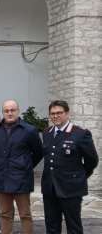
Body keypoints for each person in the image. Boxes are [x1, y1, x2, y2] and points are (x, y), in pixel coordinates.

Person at [42, 100, 99, 234]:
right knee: (51, 225)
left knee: (73, 226)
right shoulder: (47, 132)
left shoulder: (80, 133)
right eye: (52, 113)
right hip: (50, 188)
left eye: (59, 113)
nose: (55, 116)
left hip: (71, 189)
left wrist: (79, 175)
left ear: (67, 113)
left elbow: (92, 160)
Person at [0, 100, 43, 234]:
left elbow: (38, 152)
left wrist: (26, 165)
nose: (9, 113)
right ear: (3, 112)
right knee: (4, 214)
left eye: (12, 110)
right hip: (2, 178)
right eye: (6, 111)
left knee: (25, 215)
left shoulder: (29, 130)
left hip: (22, 178)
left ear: (18, 111)